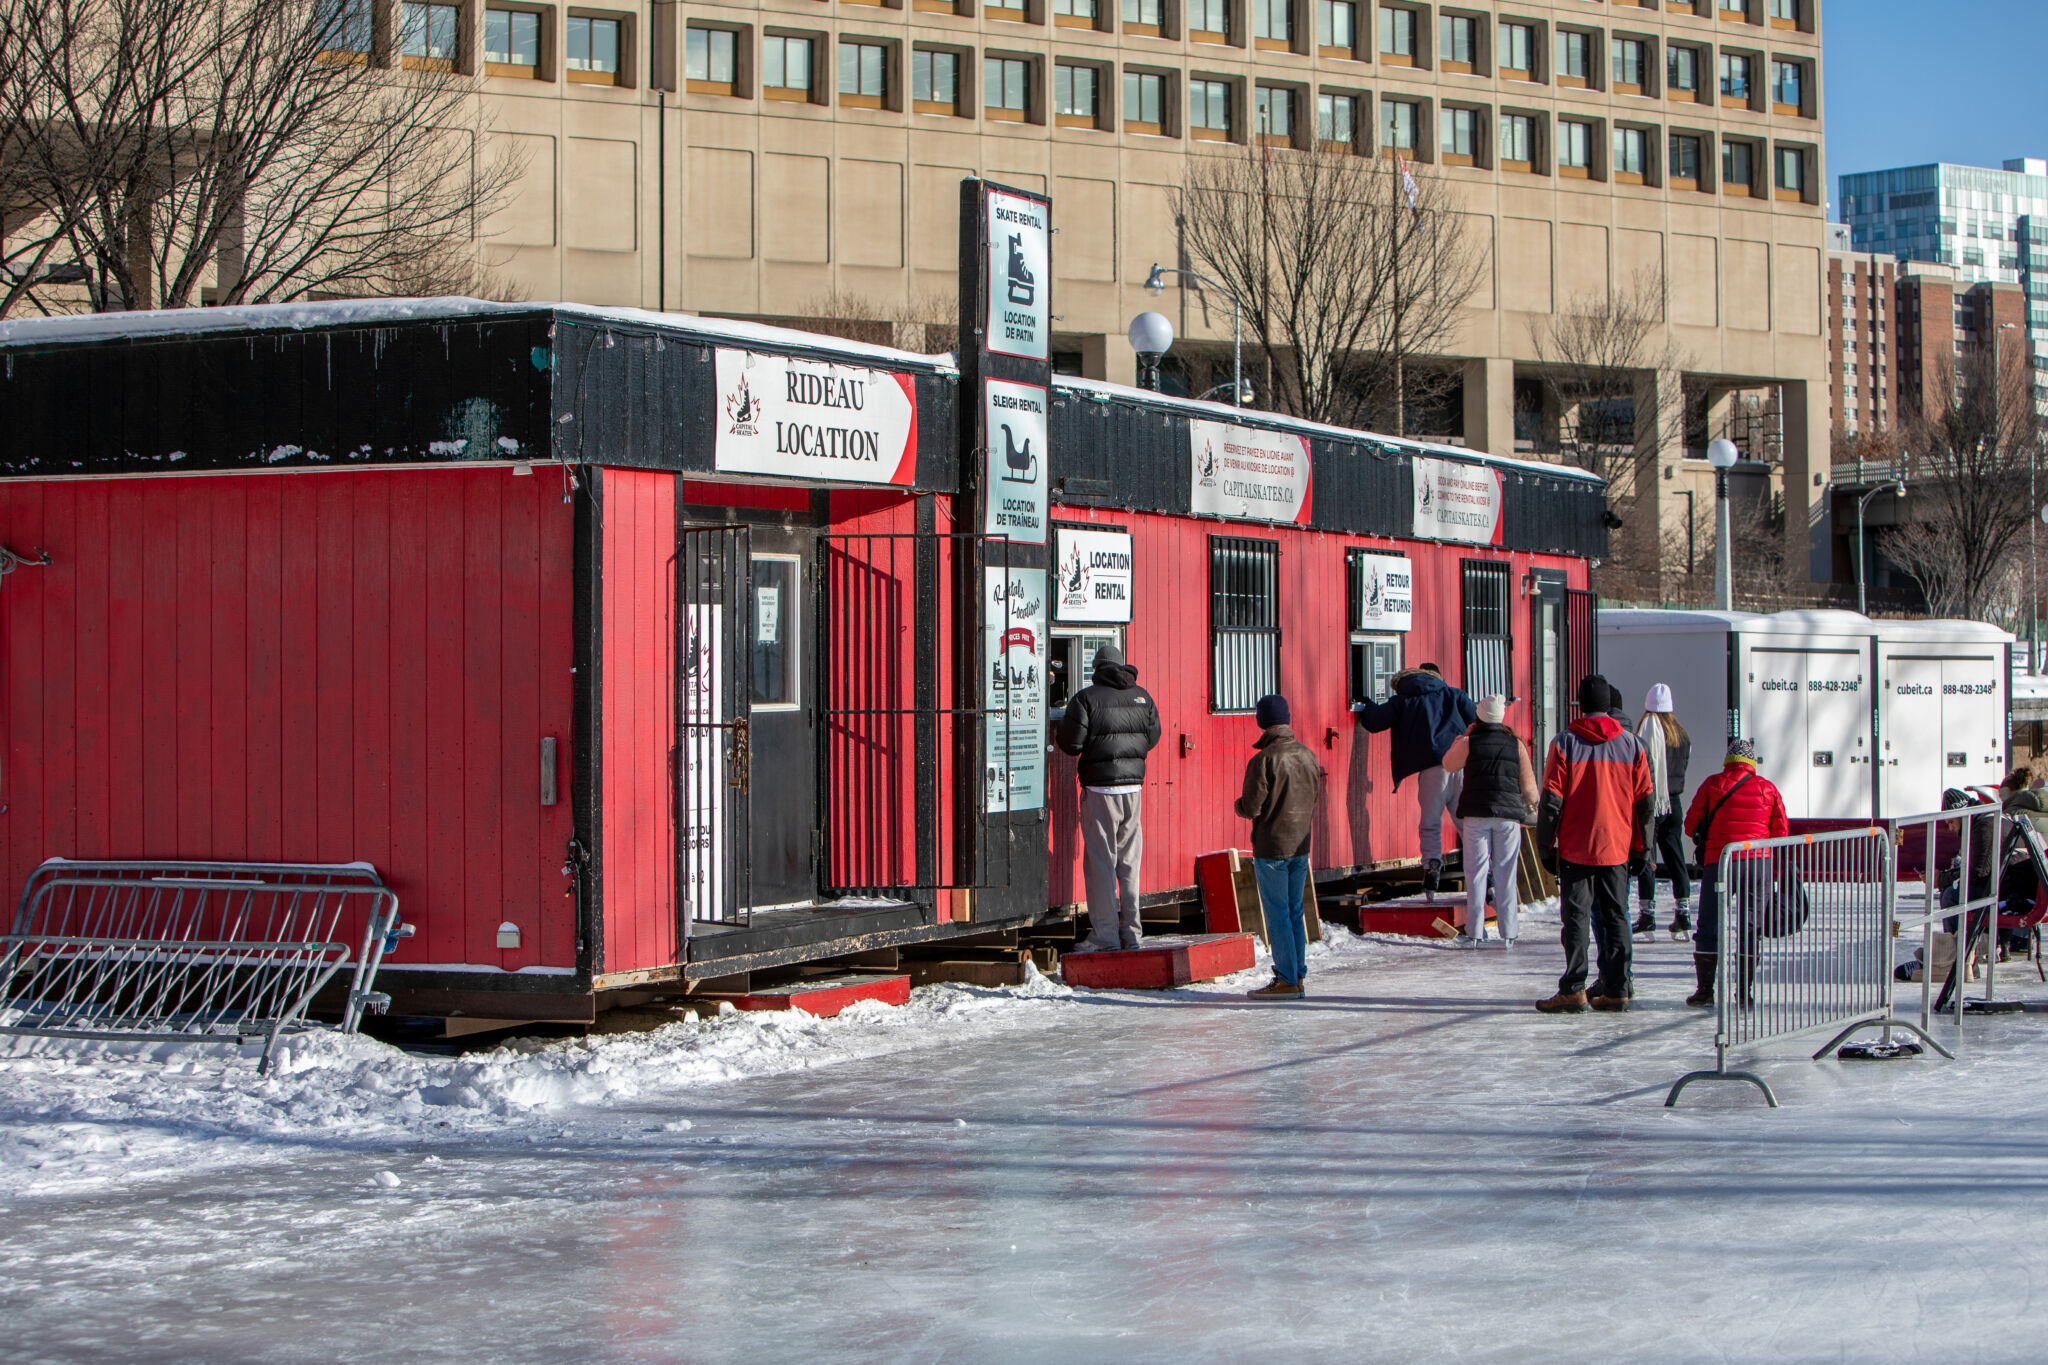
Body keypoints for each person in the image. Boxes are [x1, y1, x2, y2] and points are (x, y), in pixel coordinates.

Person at [1533, 674, 1654, 1014]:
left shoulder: (1563, 743)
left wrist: (1546, 846)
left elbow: (1551, 801)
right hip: (1617, 845)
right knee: (1616, 917)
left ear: (1581, 705)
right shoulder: (1633, 745)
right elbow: (1645, 802)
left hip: (1575, 846)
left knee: (1576, 919)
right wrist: (1643, 848)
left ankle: (1573, 987)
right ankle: (1616, 988)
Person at [1055, 642, 1162, 953]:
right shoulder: (1143, 697)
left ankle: (1105, 935)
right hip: (1134, 788)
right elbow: (1152, 737)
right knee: (1129, 861)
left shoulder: (1086, 699)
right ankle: (1132, 933)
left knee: (1102, 862)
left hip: (1101, 789)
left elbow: (1071, 744)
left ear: (1096, 669)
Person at [1353, 662, 1477, 893]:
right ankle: (1483, 872)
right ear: (1437, 677)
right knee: (1468, 824)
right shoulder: (1454, 694)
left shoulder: (1403, 699)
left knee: (1430, 823)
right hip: (1461, 765)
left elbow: (1375, 722)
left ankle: (1431, 867)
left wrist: (1367, 704)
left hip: (1431, 770)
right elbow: (1478, 721)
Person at [1682, 739, 1788, 1008]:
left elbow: (1690, 824)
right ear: (1752, 763)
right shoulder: (1768, 789)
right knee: (1750, 926)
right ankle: (1744, 991)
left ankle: (1705, 990)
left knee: (1709, 925)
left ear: (1728, 760)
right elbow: (1781, 832)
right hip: (1757, 862)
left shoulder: (1712, 784)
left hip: (1720, 861)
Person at [1235, 693, 1325, 999]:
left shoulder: (1263, 759)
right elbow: (1314, 797)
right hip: (1300, 844)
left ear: (1261, 721)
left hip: (1272, 846)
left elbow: (1250, 807)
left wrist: (1238, 805)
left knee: (1277, 914)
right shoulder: (1308, 755)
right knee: (1295, 911)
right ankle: (1297, 974)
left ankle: (1286, 979)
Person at [1440, 694, 1538, 945]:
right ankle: (1509, 932)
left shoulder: (1470, 742)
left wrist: (1462, 737)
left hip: (1476, 814)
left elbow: (1448, 764)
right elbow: (1528, 785)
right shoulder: (1515, 743)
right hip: (1508, 817)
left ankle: (1474, 931)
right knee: (1506, 871)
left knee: (1475, 872)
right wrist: (1533, 805)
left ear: (1479, 716)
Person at [1633, 684, 1694, 940]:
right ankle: (1683, 912)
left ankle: (1648, 914)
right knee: (1676, 856)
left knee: (1647, 856)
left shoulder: (1646, 732)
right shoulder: (1682, 736)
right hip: (1674, 802)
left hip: (1652, 803)